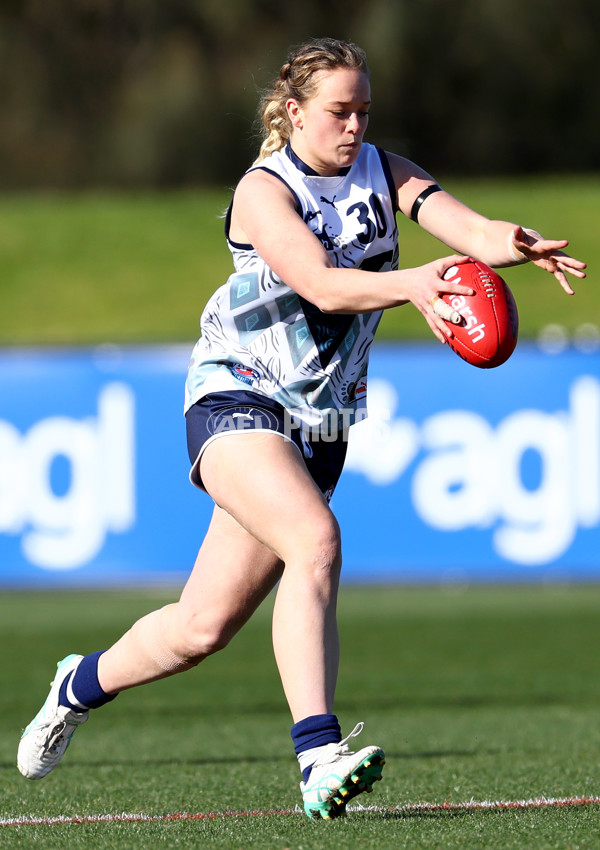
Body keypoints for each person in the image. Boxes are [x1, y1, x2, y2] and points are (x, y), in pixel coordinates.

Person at [17, 37, 586, 820]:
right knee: (315, 540)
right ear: (293, 113)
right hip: (238, 393)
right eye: (338, 111)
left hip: (322, 419)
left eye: (363, 111)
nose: (354, 127)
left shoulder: (384, 170)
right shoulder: (264, 190)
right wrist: (414, 284)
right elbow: (318, 283)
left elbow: (471, 231)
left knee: (199, 628)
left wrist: (513, 244)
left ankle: (77, 684)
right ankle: (318, 756)